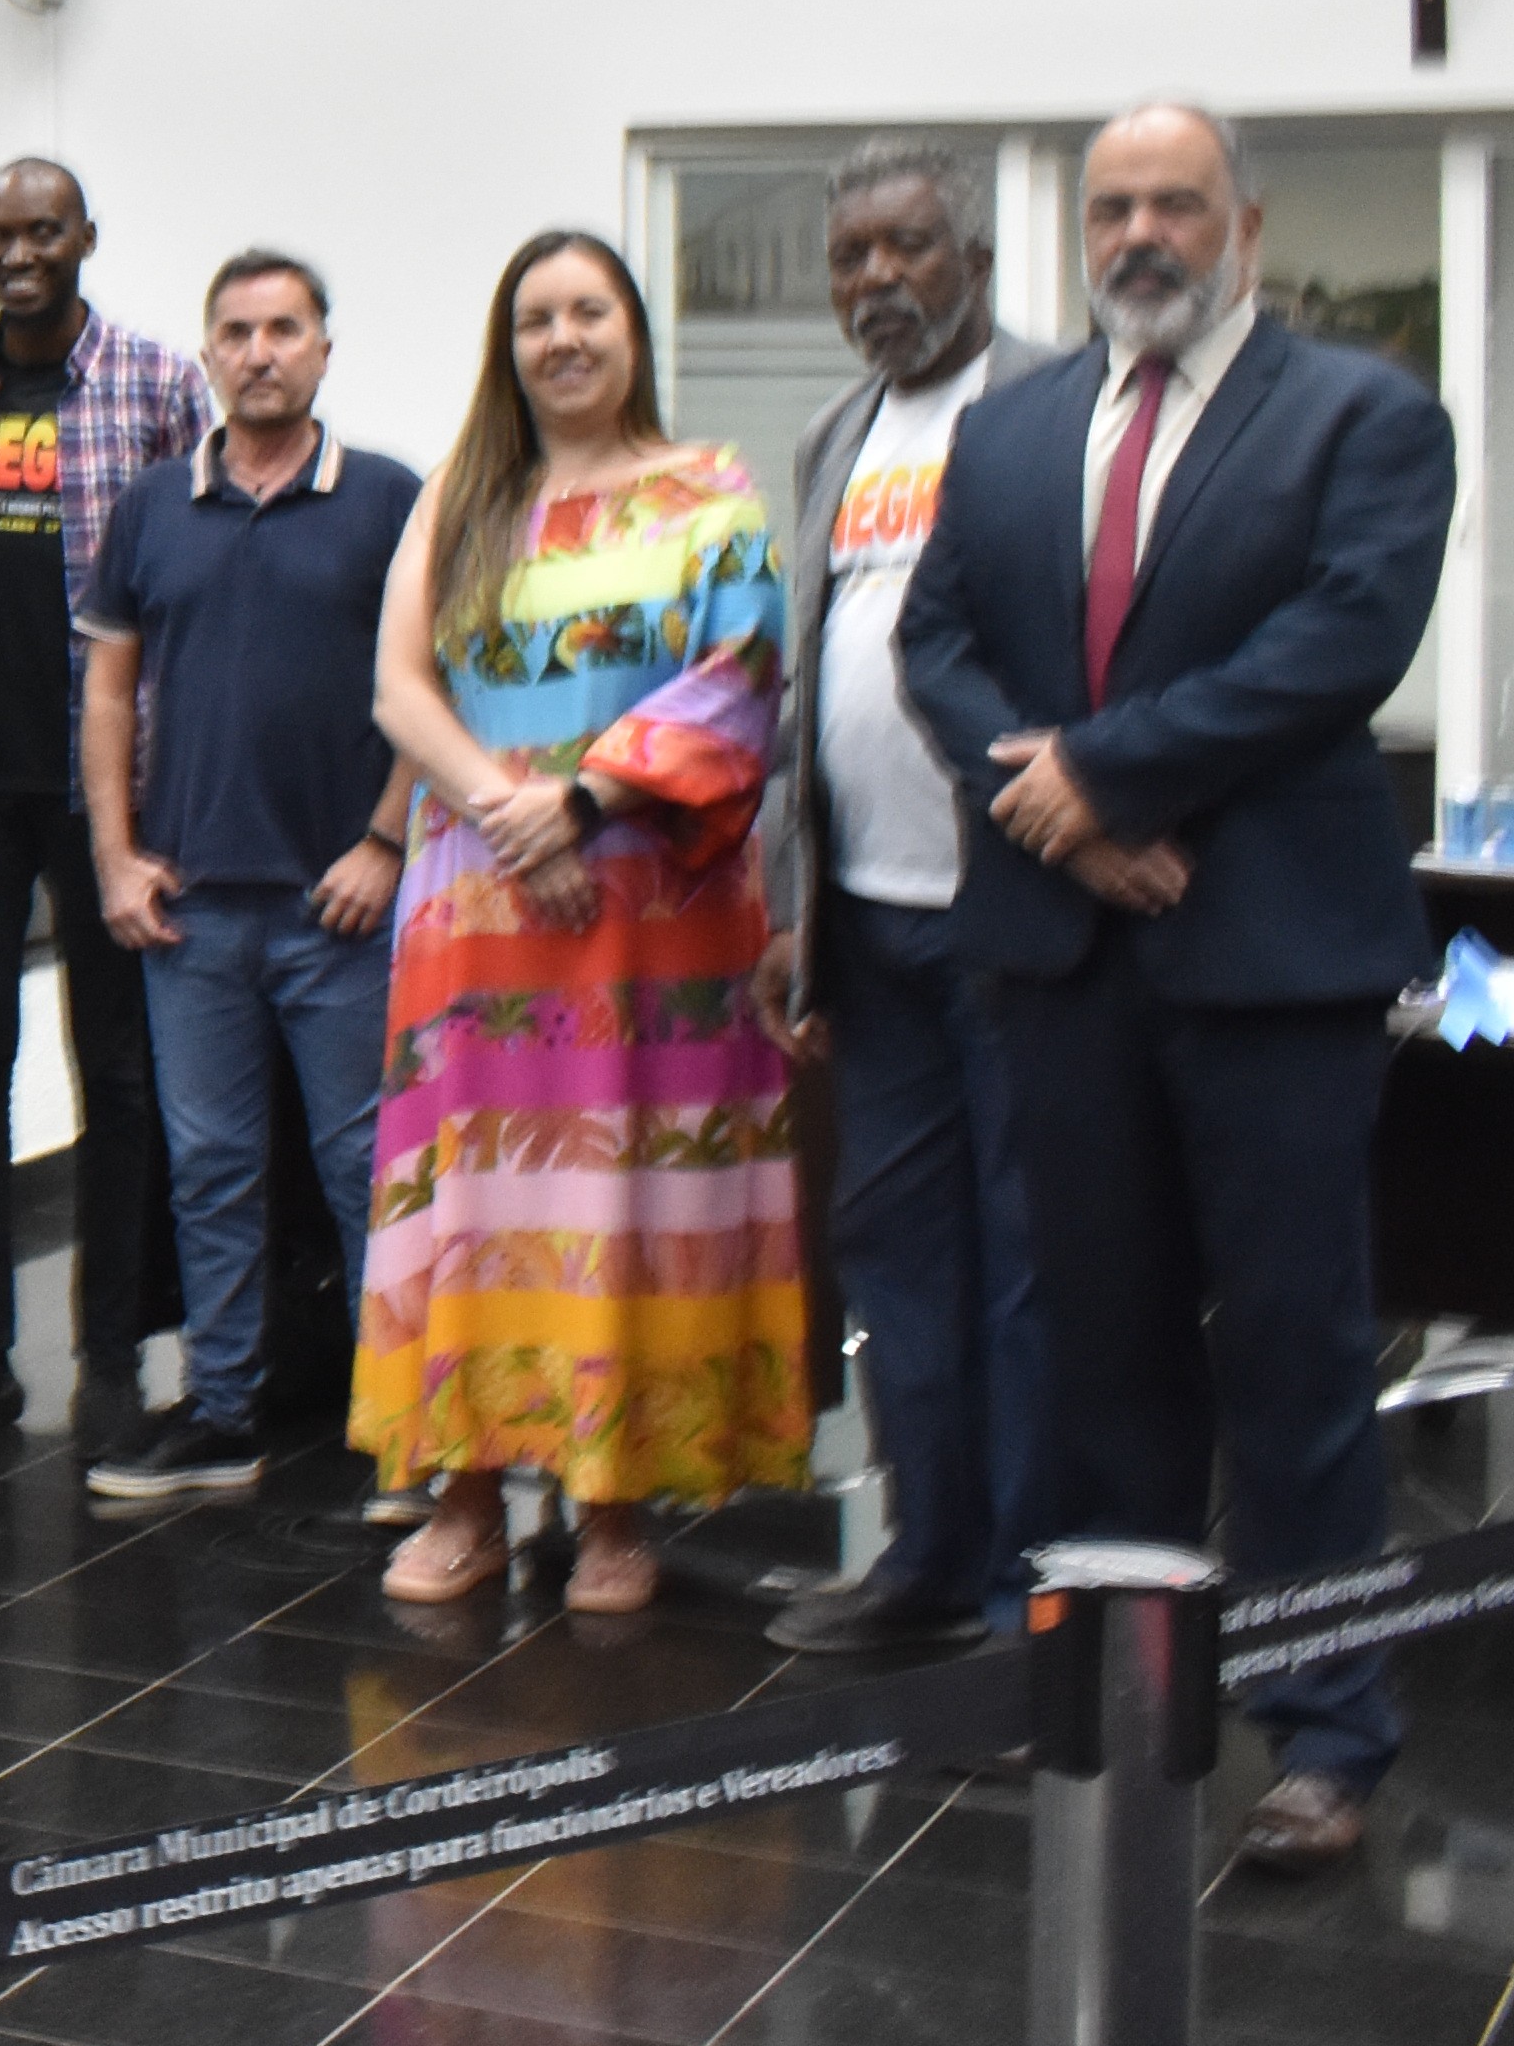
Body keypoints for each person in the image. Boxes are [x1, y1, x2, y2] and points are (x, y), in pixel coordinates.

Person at [896, 102, 1451, 1880]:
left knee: (1294, 1356)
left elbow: (1339, 646)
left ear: (1247, 226)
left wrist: (1105, 776)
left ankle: (1328, 1732)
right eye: (1113, 207)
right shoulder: (1011, 425)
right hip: (1066, 958)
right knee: (1100, 1348)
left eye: (1177, 205)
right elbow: (933, 642)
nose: (1140, 234)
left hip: (1268, 955)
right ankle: (1119, 1700)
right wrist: (1054, 817)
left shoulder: (1364, 416)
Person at [356, 230, 809, 1616]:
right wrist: (514, 813)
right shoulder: (461, 495)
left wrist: (586, 802)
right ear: (508, 347)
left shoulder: (708, 490)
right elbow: (399, 687)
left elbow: (744, 679)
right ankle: (467, 1498)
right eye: (536, 318)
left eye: (589, 311)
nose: (563, 338)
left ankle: (616, 1506)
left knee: (627, 1194)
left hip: (653, 908)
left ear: (633, 331)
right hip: (479, 900)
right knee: (481, 1194)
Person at [761, 143, 1047, 1655]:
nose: (877, 279)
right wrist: (789, 901)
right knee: (896, 1255)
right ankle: (926, 1559)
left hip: (1022, 920)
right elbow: (803, 682)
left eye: (909, 248)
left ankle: (1022, 1593)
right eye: (850, 257)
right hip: (867, 918)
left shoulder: (1061, 404)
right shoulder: (836, 433)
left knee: (1026, 1265)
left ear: (976, 261)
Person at [77, 254, 421, 1509]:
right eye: (237, 331)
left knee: (369, 1173)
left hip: (343, 908)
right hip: (192, 913)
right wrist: (115, 854)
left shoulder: (388, 497)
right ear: (208, 353)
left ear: (324, 347)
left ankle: (411, 1438)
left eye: (285, 328)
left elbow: (433, 683)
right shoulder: (152, 505)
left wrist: (386, 840)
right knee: (211, 1170)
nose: (261, 350)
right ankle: (223, 1413)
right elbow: (107, 689)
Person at [0, 159, 203, 1456]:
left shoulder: (157, 379)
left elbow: (193, 569)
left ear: (85, 238)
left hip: (109, 789)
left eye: (42, 231)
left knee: (117, 1070)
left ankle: (110, 1351)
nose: (18, 254)